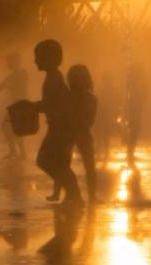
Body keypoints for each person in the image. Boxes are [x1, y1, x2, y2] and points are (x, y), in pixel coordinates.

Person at [31, 39, 83, 207]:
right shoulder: (53, 76)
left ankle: (74, 194)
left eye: (38, 56)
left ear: (49, 58)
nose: (35, 60)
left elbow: (50, 104)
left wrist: (31, 107)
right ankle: (73, 196)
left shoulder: (53, 78)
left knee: (46, 161)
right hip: (62, 127)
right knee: (60, 163)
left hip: (61, 129)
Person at [47, 65, 98, 204]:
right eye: (72, 78)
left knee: (89, 166)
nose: (74, 81)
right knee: (62, 164)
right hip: (69, 133)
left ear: (85, 80)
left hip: (82, 133)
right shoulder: (67, 97)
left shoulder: (91, 98)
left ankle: (92, 196)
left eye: (77, 78)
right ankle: (57, 193)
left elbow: (89, 121)